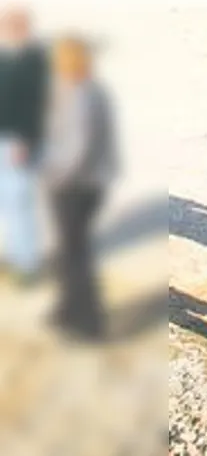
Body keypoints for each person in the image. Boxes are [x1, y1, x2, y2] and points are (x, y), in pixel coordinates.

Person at [37, 35, 118, 342]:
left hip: (75, 184)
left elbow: (75, 148)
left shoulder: (78, 94)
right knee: (71, 248)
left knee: (76, 251)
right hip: (88, 182)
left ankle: (87, 320)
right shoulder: (88, 91)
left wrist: (53, 175)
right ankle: (69, 308)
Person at [0, 6, 48, 286]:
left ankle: (28, 264)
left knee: (20, 202)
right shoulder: (7, 57)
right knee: (7, 202)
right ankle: (16, 255)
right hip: (4, 139)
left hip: (20, 143)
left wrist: (25, 140)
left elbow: (35, 104)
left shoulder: (33, 60)